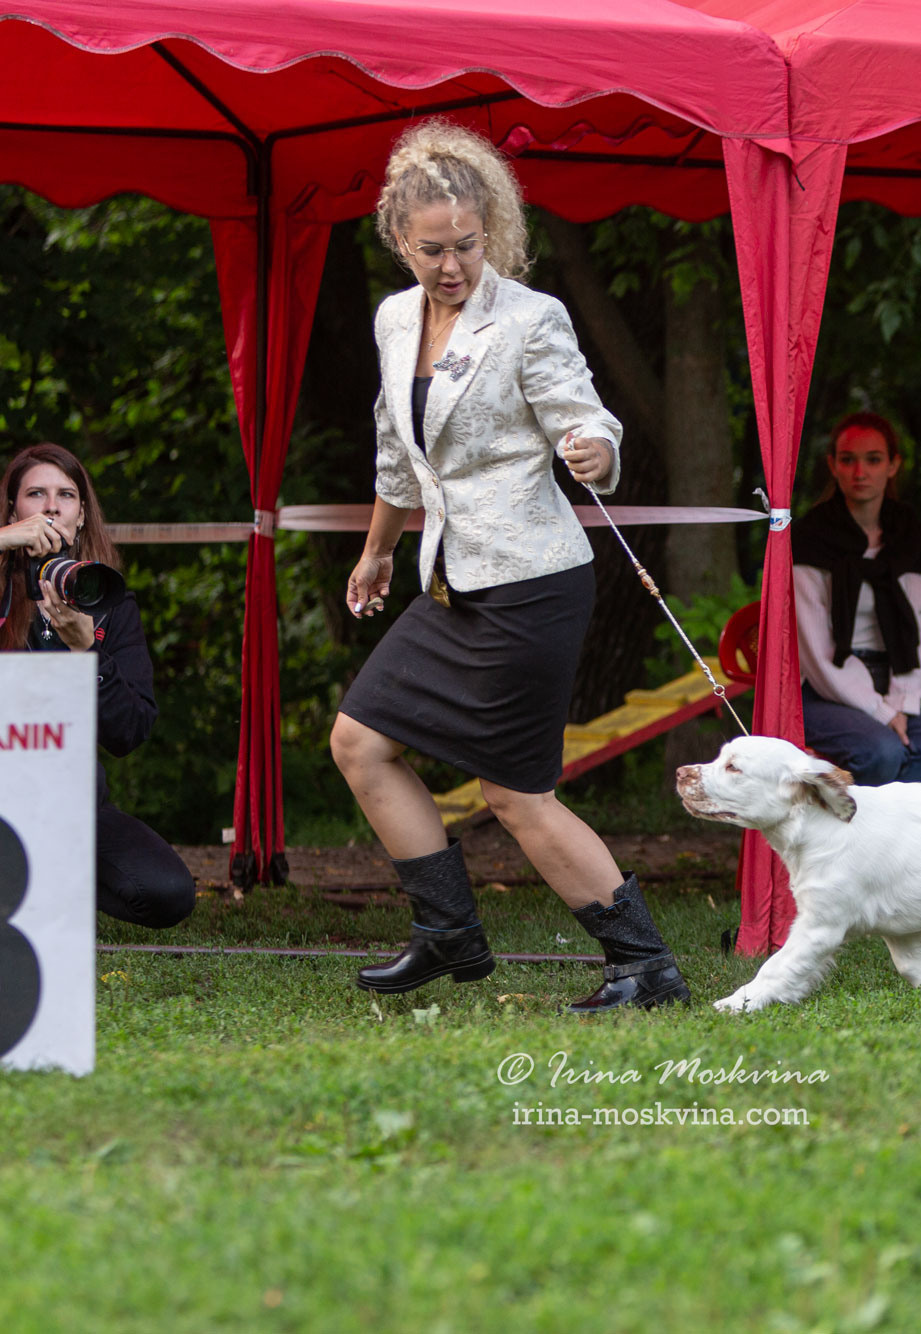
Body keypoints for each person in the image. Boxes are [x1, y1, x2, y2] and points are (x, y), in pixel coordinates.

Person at [332, 118, 689, 1012]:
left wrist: (593, 452)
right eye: (432, 250)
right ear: (398, 239)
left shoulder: (532, 319)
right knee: (359, 741)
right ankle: (446, 931)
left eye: (467, 246)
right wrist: (379, 551)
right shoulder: (392, 319)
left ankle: (644, 966)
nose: (452, 267)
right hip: (450, 580)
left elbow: (589, 416)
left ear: (491, 229)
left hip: (531, 583)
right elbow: (393, 451)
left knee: (514, 791)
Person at [0, 442, 196, 929]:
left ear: (81, 516)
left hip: (70, 803)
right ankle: (12, 880)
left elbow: (131, 730)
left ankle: (41, 878)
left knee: (167, 892)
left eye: (67, 495)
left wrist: (87, 653)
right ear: (14, 511)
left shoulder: (107, 603)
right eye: (36, 493)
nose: (52, 505)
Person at [790, 413, 921, 787]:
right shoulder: (811, 536)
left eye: (873, 459)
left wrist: (899, 703)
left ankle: (903, 844)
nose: (860, 471)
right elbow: (817, 651)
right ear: (833, 466)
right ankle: (854, 841)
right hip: (824, 688)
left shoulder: (908, 534)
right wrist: (880, 711)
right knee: (880, 751)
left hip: (897, 676)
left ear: (893, 465)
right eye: (848, 459)